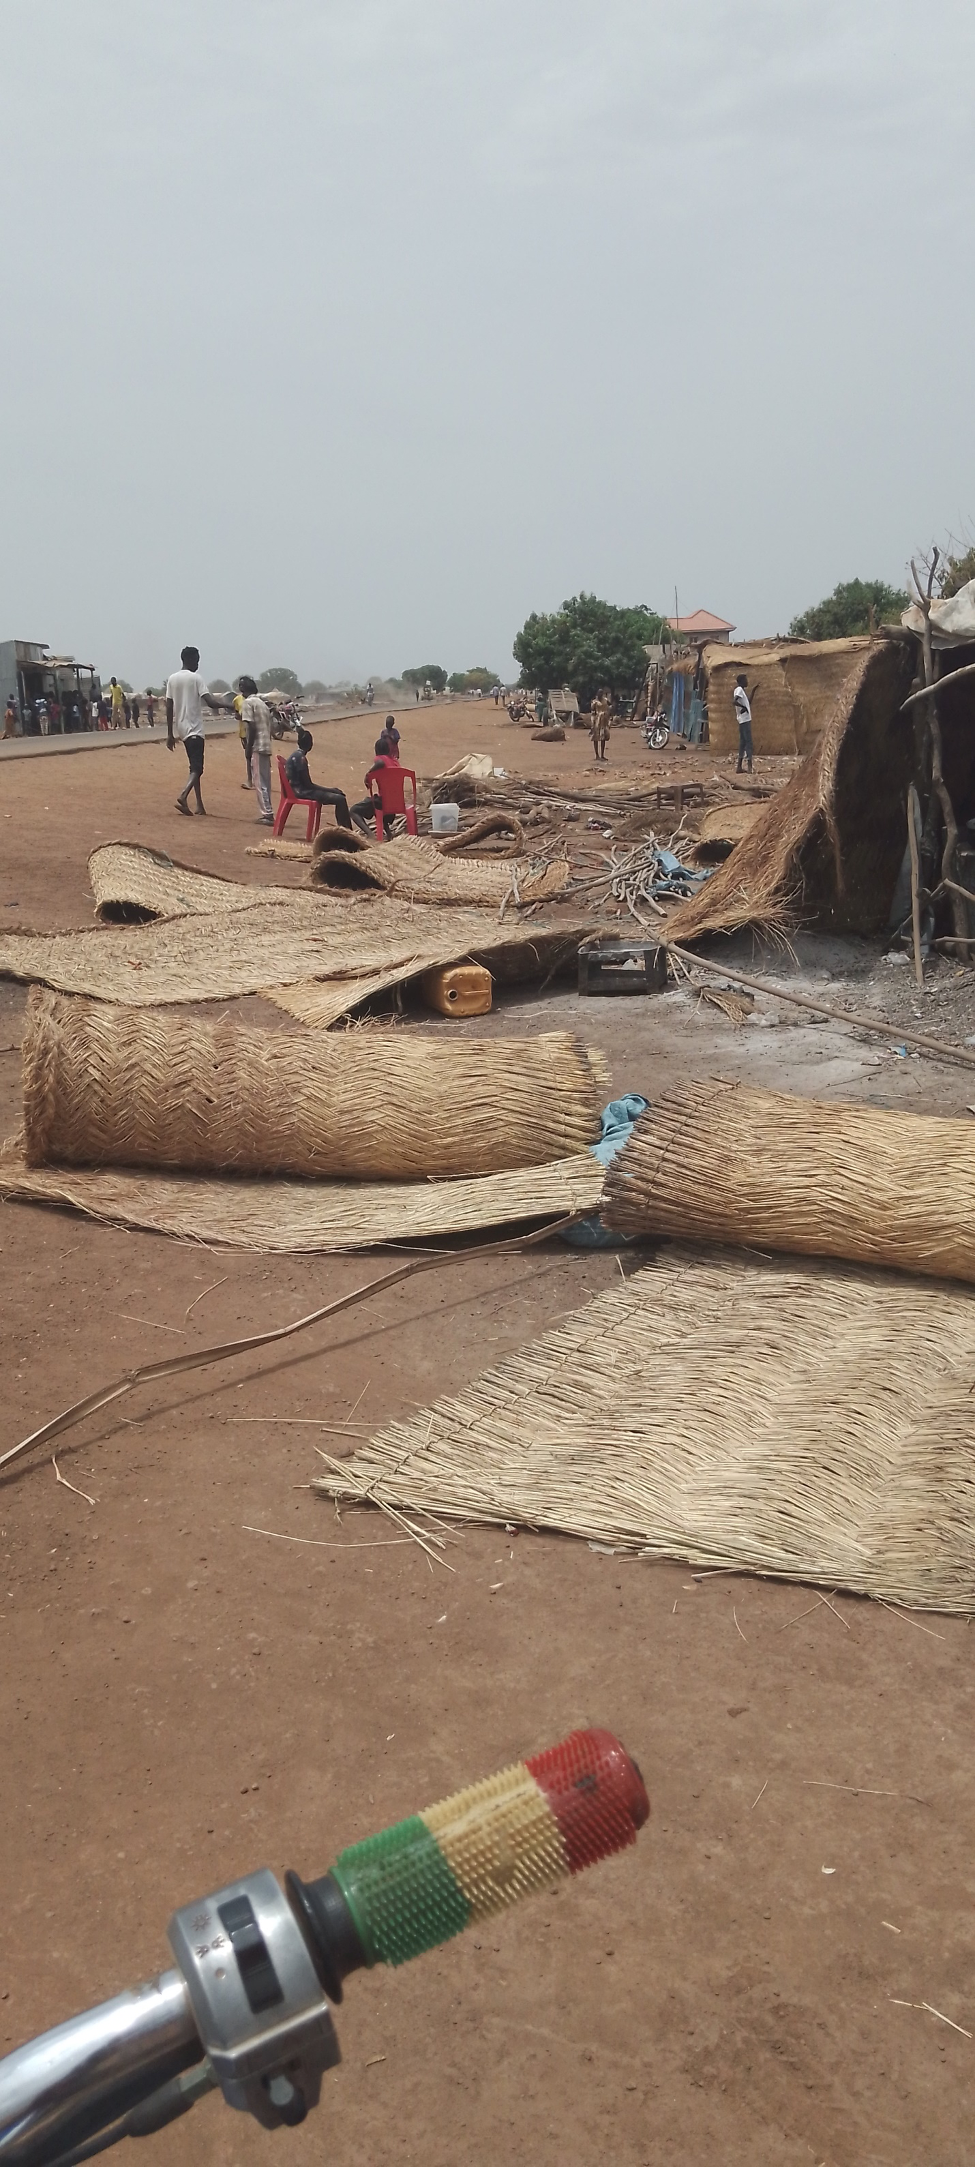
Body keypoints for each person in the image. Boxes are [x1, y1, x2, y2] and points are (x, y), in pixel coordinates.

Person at [166, 645, 220, 815]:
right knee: (198, 768)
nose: (198, 664)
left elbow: (169, 705)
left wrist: (170, 733)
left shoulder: (172, 679)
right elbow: (210, 702)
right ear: (190, 660)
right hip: (195, 729)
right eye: (197, 661)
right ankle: (183, 795)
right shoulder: (196, 678)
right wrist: (230, 705)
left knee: (193, 767)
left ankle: (199, 805)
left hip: (182, 729)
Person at [285, 728, 354, 828]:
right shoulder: (301, 759)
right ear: (310, 745)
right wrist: (331, 790)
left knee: (338, 797)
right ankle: (346, 830)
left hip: (296, 789)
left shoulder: (295, 755)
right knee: (340, 799)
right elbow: (309, 785)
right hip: (302, 792)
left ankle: (345, 829)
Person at [238, 676, 274, 822]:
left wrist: (248, 747)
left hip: (257, 746)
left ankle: (267, 813)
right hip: (266, 745)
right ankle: (268, 810)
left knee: (259, 782)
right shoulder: (262, 703)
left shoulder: (247, 703)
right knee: (266, 781)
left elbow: (250, 727)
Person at [733, 674, 754, 774]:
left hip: (742, 720)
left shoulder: (741, 691)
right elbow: (734, 702)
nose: (747, 681)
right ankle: (750, 767)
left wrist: (754, 691)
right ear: (741, 681)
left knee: (743, 743)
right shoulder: (739, 690)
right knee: (748, 742)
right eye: (746, 680)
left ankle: (739, 767)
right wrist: (743, 708)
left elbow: (748, 703)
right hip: (745, 719)